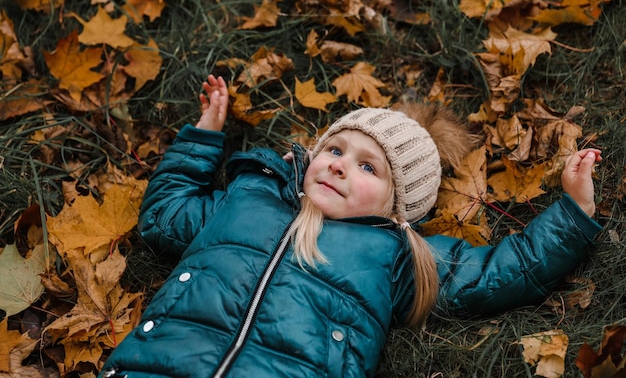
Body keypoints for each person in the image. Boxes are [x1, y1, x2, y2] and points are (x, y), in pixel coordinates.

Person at [99, 75, 602, 378]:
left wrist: (573, 212)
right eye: (336, 150)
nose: (339, 165)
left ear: (396, 208)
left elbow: (501, 270)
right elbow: (164, 216)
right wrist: (204, 136)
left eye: (368, 167)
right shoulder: (248, 197)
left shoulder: (396, 255)